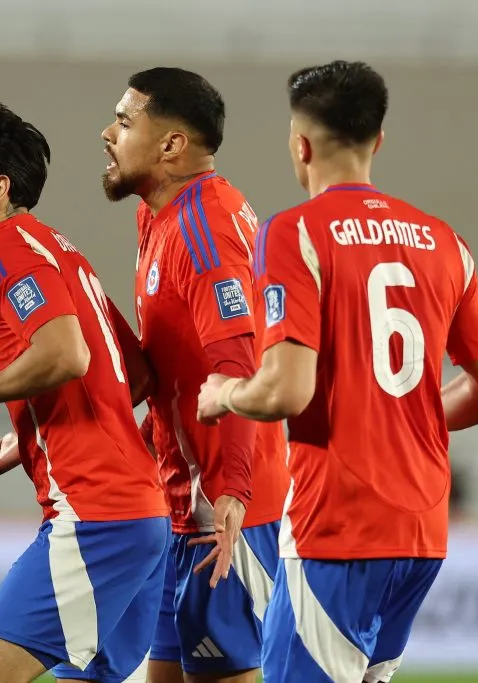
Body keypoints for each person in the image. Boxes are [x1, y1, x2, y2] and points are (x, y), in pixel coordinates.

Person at [196, 60, 478, 682]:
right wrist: (402, 419)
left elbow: (287, 389)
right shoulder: (443, 241)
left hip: (338, 523)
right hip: (421, 530)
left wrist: (225, 393)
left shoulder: (291, 233)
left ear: (301, 144)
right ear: (378, 140)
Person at [0, 101, 170, 683]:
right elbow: (135, 375)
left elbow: (67, 355)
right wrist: (33, 434)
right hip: (142, 515)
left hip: (95, 514)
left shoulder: (6, 249)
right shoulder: (57, 248)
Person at [63, 67, 289, 683]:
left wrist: (233, 493)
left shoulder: (205, 229)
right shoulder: (159, 219)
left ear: (171, 145)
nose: (106, 132)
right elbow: (159, 375)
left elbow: (241, 365)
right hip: (178, 503)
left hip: (224, 514)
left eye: (125, 120)